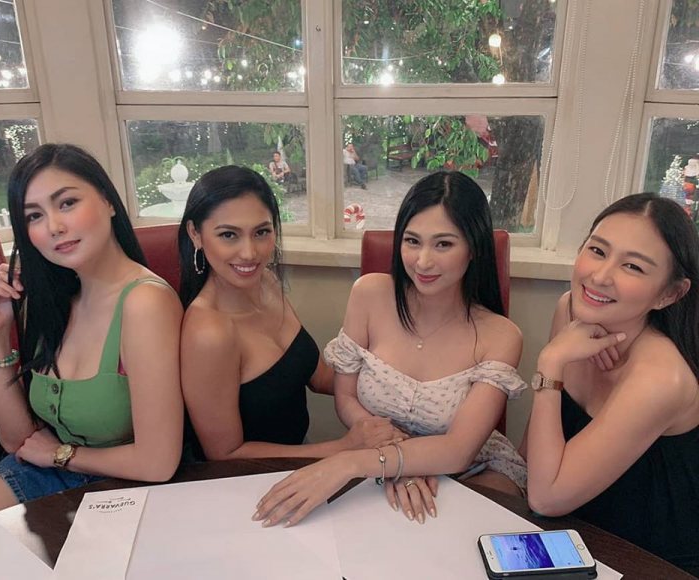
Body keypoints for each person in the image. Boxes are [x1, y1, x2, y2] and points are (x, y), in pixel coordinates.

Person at [253, 170, 527, 528]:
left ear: (473, 247)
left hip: (475, 470)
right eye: (412, 241)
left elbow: (460, 450)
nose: (423, 261)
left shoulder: (501, 335)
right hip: (379, 465)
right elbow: (346, 398)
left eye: (443, 244)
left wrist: (357, 462)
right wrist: (396, 463)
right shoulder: (369, 294)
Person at [0, 143, 184, 517]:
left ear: (107, 201)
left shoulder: (144, 303)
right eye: (34, 216)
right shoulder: (46, 297)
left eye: (67, 203)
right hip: (44, 472)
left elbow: (159, 463)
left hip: (122, 485)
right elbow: (16, 441)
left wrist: (61, 454)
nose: (54, 226)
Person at [524, 193, 699, 576]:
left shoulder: (661, 377)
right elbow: (534, 457)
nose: (600, 276)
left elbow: (545, 496)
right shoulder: (570, 311)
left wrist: (550, 362)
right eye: (598, 251)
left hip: (647, 560)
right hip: (572, 536)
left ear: (670, 293)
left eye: (633, 266)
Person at [178, 165, 399, 460]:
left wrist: (399, 381)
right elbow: (225, 454)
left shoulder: (266, 282)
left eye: (261, 232)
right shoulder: (209, 333)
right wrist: (346, 447)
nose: (249, 253)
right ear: (195, 234)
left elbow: (317, 376)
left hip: (301, 458)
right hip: (243, 483)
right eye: (229, 235)